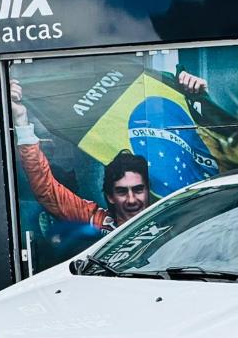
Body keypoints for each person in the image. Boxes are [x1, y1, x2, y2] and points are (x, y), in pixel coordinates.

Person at [11, 79, 151, 234]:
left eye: (138, 190)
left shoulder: (168, 217)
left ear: (148, 191)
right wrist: (21, 120)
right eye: (122, 191)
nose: (131, 199)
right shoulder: (97, 220)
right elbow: (47, 190)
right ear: (110, 197)